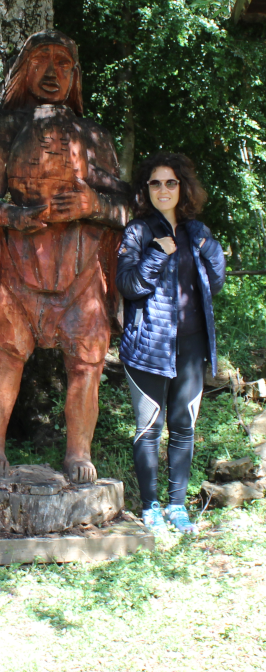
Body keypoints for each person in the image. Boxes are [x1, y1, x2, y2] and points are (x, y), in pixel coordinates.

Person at [0, 30, 129, 482]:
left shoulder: (93, 136)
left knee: (87, 363)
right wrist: (11, 215)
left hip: (80, 276)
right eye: (42, 61)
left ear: (76, 76)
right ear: (23, 71)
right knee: (4, 355)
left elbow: (128, 206)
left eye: (64, 63)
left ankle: (79, 452)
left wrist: (93, 206)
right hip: (18, 272)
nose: (53, 72)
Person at [116, 153, 225, 534]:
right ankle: (150, 508)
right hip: (148, 344)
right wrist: (156, 254)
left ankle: (177, 507)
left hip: (192, 346)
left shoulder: (197, 231)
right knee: (150, 427)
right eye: (156, 183)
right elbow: (129, 286)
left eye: (171, 182)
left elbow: (213, 284)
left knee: (184, 425)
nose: (164, 190)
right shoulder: (138, 232)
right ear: (146, 190)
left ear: (183, 187)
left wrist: (213, 255)